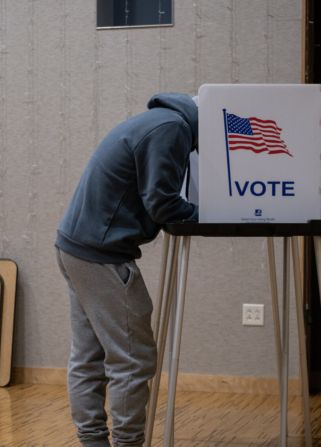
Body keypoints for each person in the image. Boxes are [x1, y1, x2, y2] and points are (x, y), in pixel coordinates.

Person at [55, 93, 199, 447]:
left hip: (74, 247)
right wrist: (212, 213)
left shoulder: (158, 121)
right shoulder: (173, 128)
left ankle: (93, 442)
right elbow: (163, 202)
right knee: (133, 360)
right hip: (101, 255)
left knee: (89, 358)